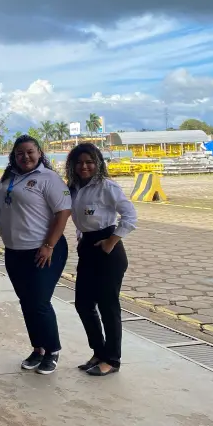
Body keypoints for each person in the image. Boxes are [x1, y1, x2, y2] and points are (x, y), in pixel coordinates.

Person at [0, 135, 71, 375]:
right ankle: (38, 348)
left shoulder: (49, 178)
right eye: (20, 153)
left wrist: (49, 245)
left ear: (39, 153)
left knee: (39, 302)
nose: (25, 157)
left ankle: (52, 350)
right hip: (14, 251)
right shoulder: (9, 177)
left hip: (43, 250)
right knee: (26, 302)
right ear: (14, 156)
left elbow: (63, 212)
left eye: (30, 152)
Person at [66, 143, 136, 377]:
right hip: (88, 247)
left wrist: (111, 241)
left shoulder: (107, 187)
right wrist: (81, 237)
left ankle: (112, 359)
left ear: (98, 163)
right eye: (79, 162)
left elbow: (130, 215)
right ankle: (99, 351)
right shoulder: (73, 188)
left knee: (108, 306)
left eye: (89, 162)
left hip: (108, 250)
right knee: (83, 304)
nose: (84, 166)